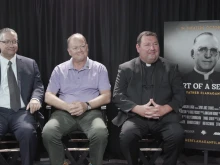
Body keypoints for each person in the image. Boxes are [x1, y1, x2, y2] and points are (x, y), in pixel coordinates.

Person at [112, 31, 186, 165]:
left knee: (177, 135)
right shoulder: (125, 68)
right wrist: (137, 109)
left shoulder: (171, 68)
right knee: (127, 136)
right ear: (138, 48)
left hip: (165, 118)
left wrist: (165, 109)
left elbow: (180, 95)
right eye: (147, 45)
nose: (152, 48)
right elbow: (117, 96)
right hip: (136, 118)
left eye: (155, 44)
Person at [42, 33, 111, 165]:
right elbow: (48, 96)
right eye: (75, 48)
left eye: (82, 46)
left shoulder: (99, 68)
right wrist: (66, 106)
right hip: (64, 113)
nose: (80, 50)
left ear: (87, 47)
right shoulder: (59, 69)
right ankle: (61, 162)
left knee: (100, 133)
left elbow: (106, 96)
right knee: (48, 132)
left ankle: (94, 163)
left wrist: (86, 105)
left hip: (91, 113)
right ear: (69, 51)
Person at [0, 28, 44, 165]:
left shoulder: (29, 63)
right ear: (0, 43)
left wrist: (35, 98)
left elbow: (38, 85)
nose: (11, 45)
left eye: (14, 41)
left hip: (21, 112)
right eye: (7, 41)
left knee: (28, 133)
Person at [183, 32, 220, 106]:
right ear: (192, 53)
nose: (208, 55)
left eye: (213, 50)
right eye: (202, 49)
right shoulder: (179, 81)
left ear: (218, 56)